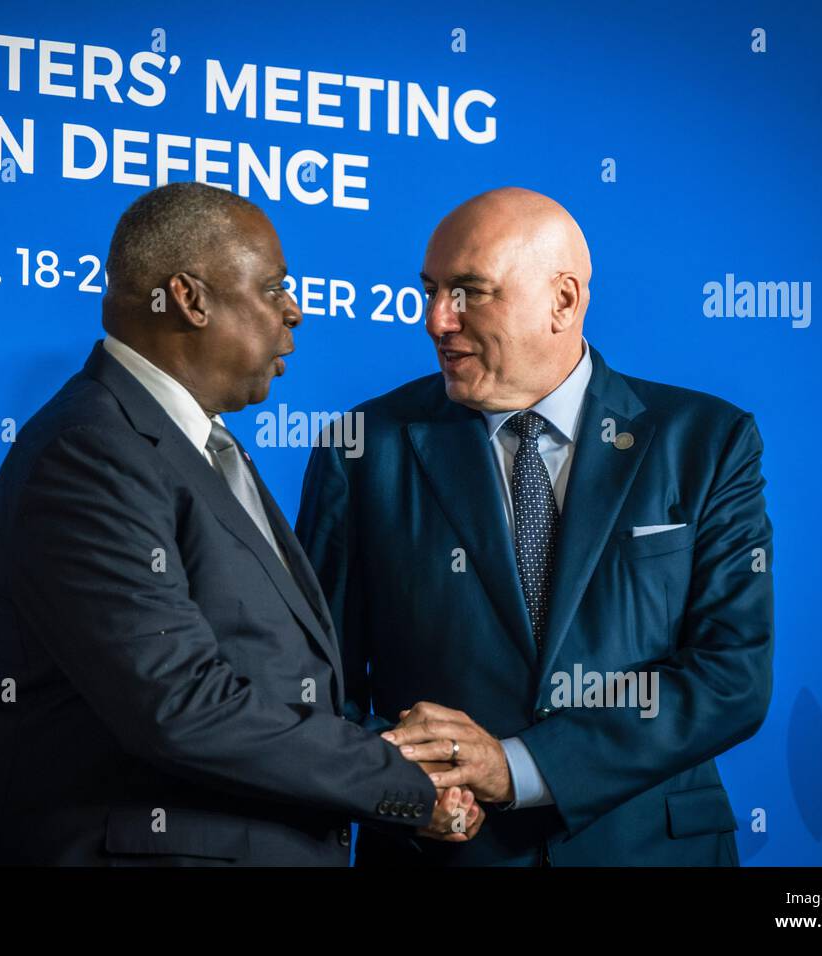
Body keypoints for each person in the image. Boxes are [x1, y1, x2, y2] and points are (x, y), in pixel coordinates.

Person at [0, 182, 477, 866]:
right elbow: (180, 706)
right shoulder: (88, 453)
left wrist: (391, 759)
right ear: (190, 298)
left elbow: (271, 679)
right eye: (272, 289)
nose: (294, 313)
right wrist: (401, 782)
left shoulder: (194, 445)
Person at [297, 187, 774, 866]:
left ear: (564, 301)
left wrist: (515, 766)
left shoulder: (708, 441)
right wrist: (407, 789)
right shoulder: (362, 446)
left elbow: (732, 677)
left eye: (468, 292)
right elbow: (314, 684)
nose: (437, 320)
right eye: (430, 290)